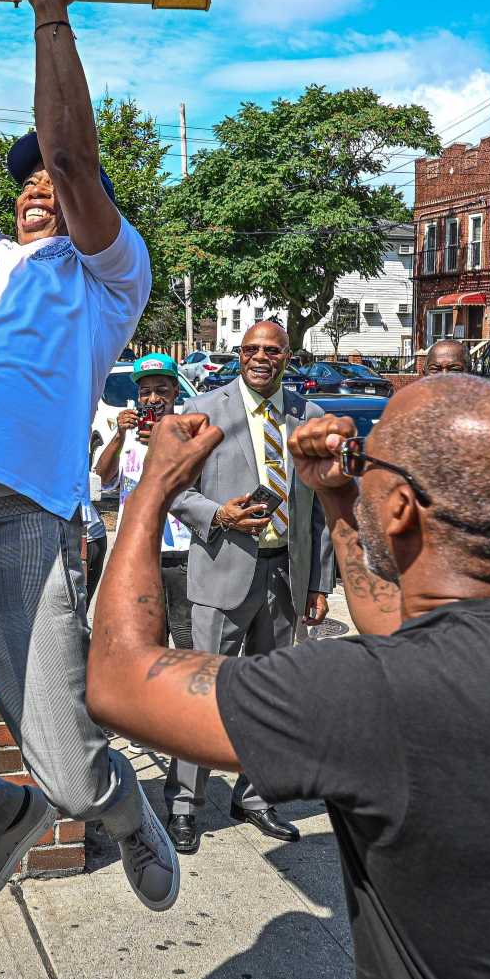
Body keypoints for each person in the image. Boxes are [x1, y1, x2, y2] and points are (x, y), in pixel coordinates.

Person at [87, 374, 490, 979]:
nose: (358, 459)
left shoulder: (370, 693)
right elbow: (396, 621)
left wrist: (153, 488)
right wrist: (337, 492)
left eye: (367, 456)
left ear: (401, 507)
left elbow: (120, 679)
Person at [0, 0, 178, 919]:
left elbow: (71, 161)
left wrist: (48, 11)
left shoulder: (109, 278)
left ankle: (120, 805)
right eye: (21, 185)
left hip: (26, 531)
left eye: (49, 185)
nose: (35, 191)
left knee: (71, 777)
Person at [163, 321, 334, 854]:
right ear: (239, 354)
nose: (262, 357)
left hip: (285, 573)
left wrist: (318, 581)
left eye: (272, 350)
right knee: (202, 692)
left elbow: (321, 509)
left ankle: (255, 795)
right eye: (252, 349)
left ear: (288, 356)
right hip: (222, 568)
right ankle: (185, 802)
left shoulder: (307, 417)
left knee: (269, 693)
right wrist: (219, 515)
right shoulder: (205, 411)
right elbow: (173, 489)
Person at [94, 353, 194, 649]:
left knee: (187, 637)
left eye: (161, 390)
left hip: (181, 554)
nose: (152, 399)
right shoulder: (128, 435)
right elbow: (102, 478)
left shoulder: (189, 432)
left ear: (176, 391)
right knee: (146, 639)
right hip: (137, 553)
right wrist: (118, 436)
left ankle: (183, 696)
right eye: (145, 392)